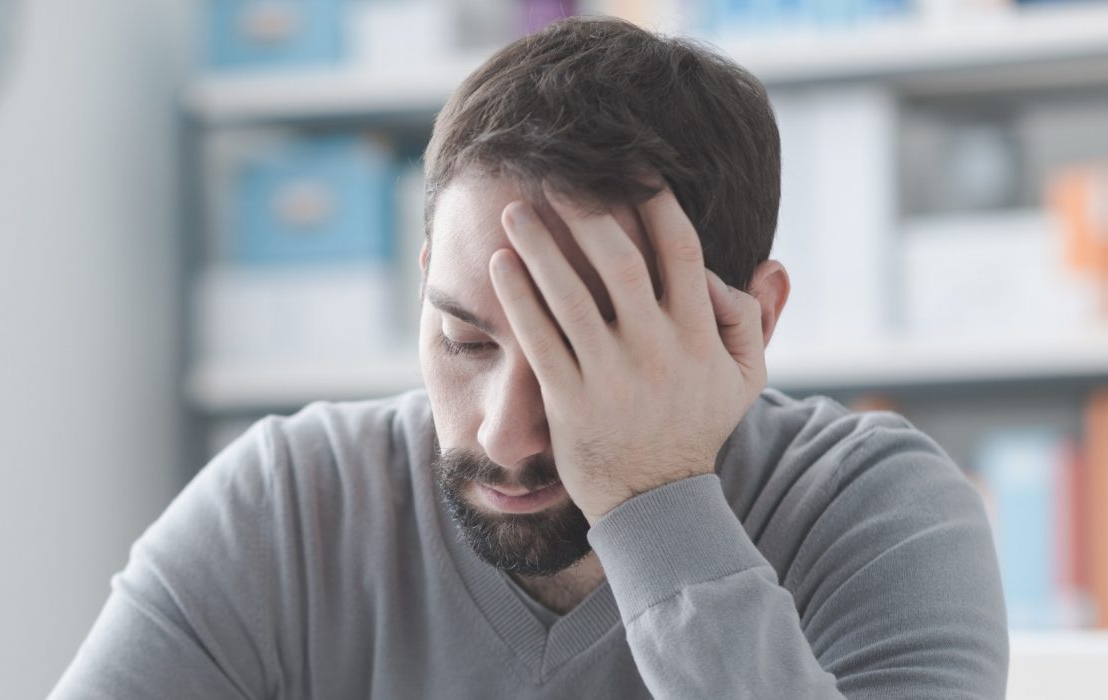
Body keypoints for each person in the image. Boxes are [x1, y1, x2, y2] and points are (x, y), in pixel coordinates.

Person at [50, 16, 1008, 699]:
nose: (505, 432)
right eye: (466, 339)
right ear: (423, 278)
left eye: (583, 352)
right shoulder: (290, 507)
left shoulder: (880, 516)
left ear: (750, 320)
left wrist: (655, 501)